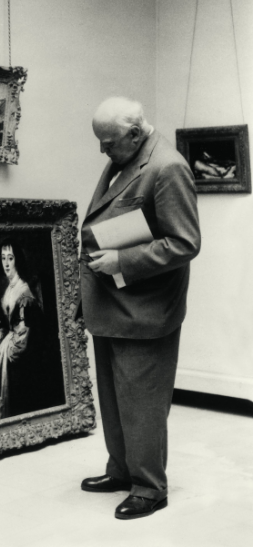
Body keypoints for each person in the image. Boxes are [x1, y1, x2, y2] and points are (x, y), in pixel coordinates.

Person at [79, 97, 200, 520]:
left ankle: (149, 487)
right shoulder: (125, 155)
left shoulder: (167, 167)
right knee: (113, 399)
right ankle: (121, 470)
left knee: (142, 404)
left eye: (108, 142)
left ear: (134, 134)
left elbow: (185, 243)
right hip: (111, 302)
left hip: (146, 310)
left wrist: (122, 261)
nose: (102, 151)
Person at [0, 238, 63, 420]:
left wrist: (8, 348)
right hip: (10, 355)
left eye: (10, 258)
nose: (6, 263)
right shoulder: (6, 291)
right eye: (3, 258)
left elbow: (26, 334)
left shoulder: (24, 292)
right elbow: (0, 323)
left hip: (24, 360)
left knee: (21, 403)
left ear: (17, 259)